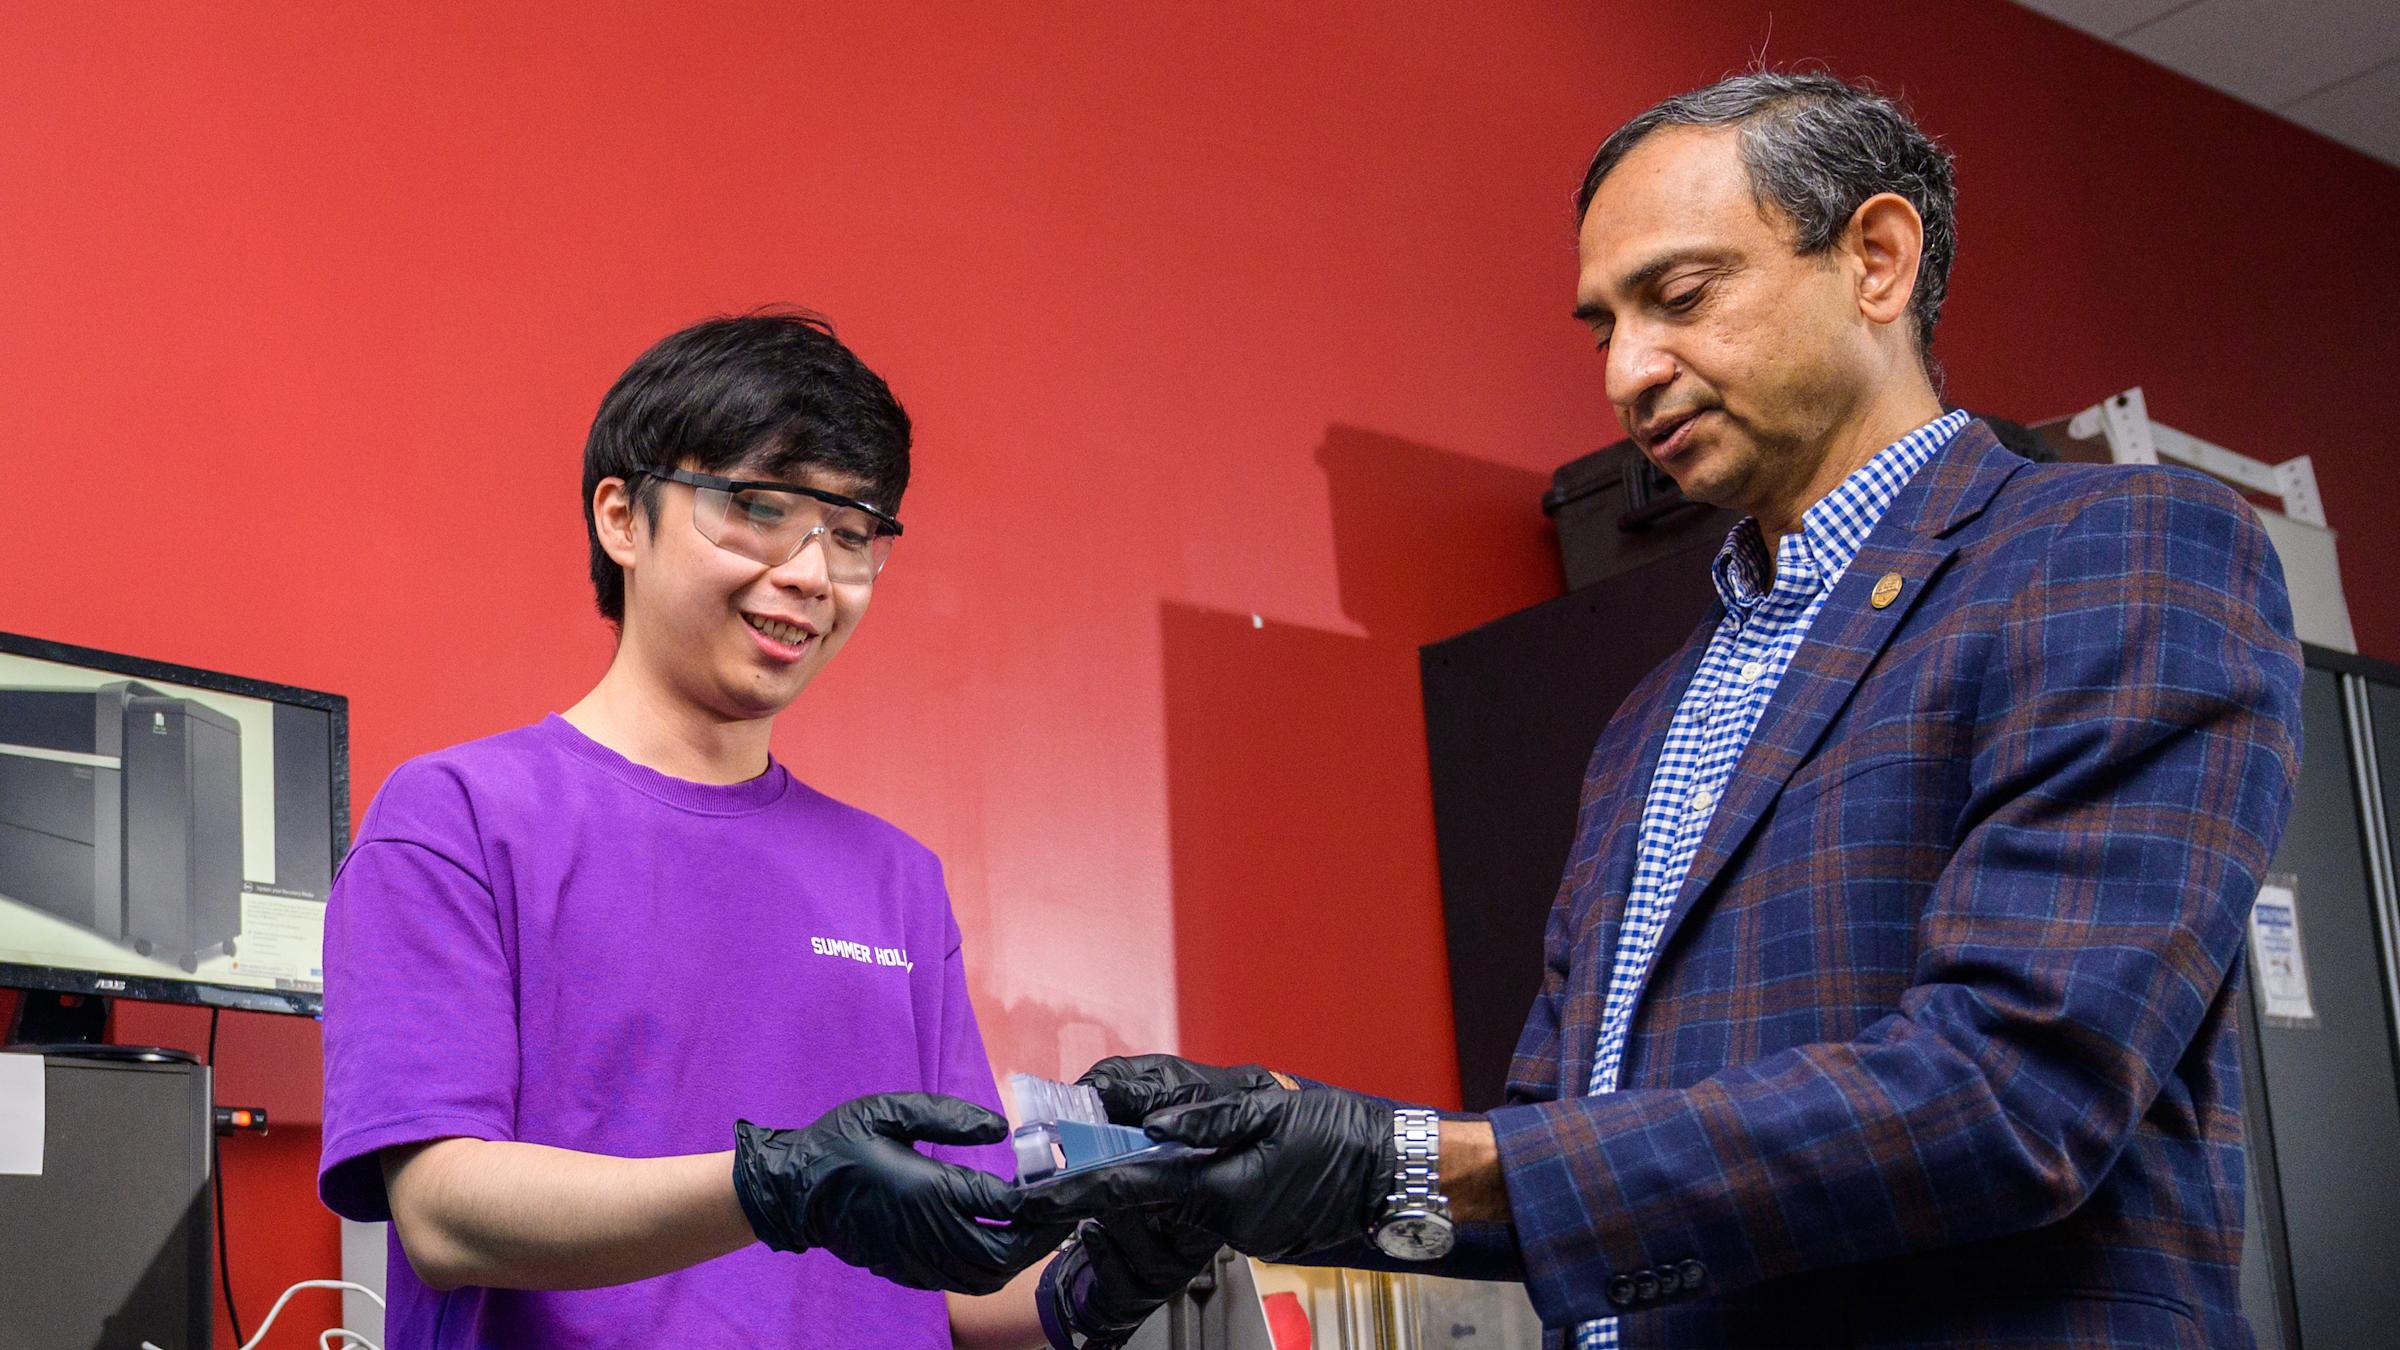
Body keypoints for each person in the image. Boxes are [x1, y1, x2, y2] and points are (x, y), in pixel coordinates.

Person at [1037, 72, 2305, 1348]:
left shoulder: (2119, 553)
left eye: (1682, 298)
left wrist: (1403, 1156)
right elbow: (1553, 1164)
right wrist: (1250, 1153)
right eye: (1603, 329)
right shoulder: (1653, 716)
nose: (1629, 373)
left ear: (1876, 258)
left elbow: (2015, 1091)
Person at [317, 311, 1096, 1347]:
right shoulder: (457, 819)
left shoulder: (896, 881)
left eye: (854, 533)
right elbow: (445, 1212)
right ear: (622, 519)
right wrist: (768, 1185)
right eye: (758, 509)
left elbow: (961, 1276)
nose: (814, 575)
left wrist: (1125, 1263)